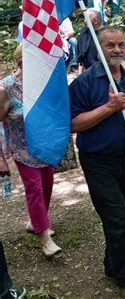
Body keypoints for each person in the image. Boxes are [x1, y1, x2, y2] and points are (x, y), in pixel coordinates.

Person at [69, 26, 125, 298]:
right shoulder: (84, 83)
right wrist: (108, 108)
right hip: (98, 162)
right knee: (116, 217)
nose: (116, 50)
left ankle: (112, 263)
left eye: (120, 45)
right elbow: (74, 124)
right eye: (110, 45)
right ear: (98, 47)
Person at [0, 46, 61, 258]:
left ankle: (35, 221)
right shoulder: (6, 88)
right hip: (22, 148)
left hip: (45, 145)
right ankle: (45, 239)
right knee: (34, 187)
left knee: (47, 184)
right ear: (20, 63)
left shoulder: (41, 82)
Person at [77, 8, 103, 73]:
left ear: (95, 21)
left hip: (101, 72)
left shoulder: (105, 35)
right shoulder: (85, 32)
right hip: (88, 72)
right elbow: (81, 56)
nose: (85, 21)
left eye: (87, 18)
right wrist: (80, 74)